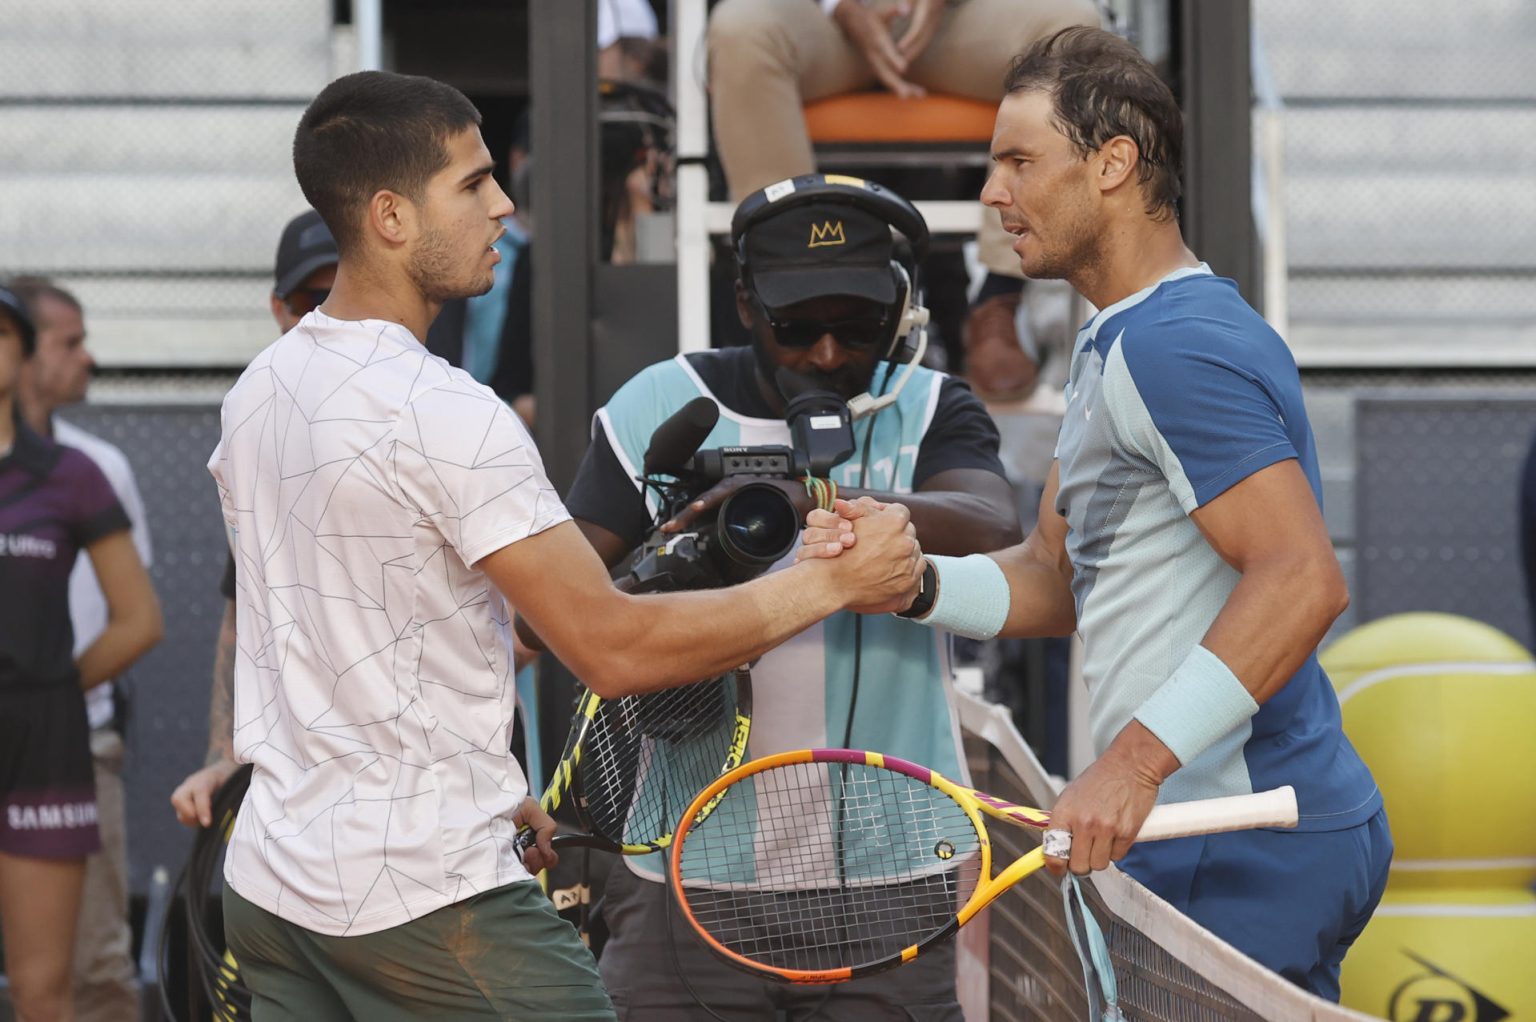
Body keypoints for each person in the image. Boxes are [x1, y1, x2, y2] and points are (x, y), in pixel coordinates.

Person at [208, 71, 921, 1021]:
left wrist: (484, 789)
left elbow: (356, 642)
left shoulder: (258, 391)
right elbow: (613, 649)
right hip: (422, 897)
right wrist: (833, 584)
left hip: (275, 887)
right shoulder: (447, 410)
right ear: (388, 215)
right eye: (471, 184)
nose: (504, 204)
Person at [802, 27, 1392, 1001]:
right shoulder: (1115, 340)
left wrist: (1131, 764)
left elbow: (1302, 577)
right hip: (1205, 827)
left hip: (1232, 833)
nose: (994, 192)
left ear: (1113, 163)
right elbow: (1055, 575)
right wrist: (906, 580)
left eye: (1019, 160)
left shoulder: (1172, 347)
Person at [563, 173, 1021, 1020]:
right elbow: (551, 608)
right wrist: (668, 562)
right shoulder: (666, 404)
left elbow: (994, 523)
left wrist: (829, 505)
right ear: (743, 303)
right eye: (796, 327)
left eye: (857, 327)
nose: (826, 354)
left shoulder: (927, 407)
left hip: (894, 870)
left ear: (900, 312)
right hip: (685, 876)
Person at [706, 0, 1099, 401]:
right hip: (819, 22)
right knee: (740, 30)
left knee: (1073, 31)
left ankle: (998, 300)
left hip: (953, 23)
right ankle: (793, 298)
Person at [0, 284, 162, 1022]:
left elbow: (138, 619)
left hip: (56, 747)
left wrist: (48, 692)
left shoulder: (80, 472)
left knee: (67, 981)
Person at [169, 208, 340, 830]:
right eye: (308, 297)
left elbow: (519, 616)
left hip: (429, 803)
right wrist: (223, 759)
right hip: (300, 798)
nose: (324, 313)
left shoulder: (446, 411)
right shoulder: (259, 423)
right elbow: (243, 606)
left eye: (340, 291)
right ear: (278, 309)